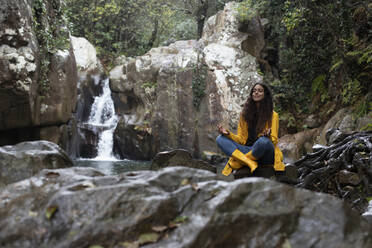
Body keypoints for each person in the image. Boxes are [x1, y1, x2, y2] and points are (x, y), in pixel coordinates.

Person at [216, 82, 285, 178]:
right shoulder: (245, 115)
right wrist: (228, 134)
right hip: (248, 149)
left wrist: (268, 136)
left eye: (260, 91)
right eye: (254, 91)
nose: (256, 93)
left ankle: (240, 162)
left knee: (263, 142)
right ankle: (249, 162)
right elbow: (241, 139)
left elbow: (274, 140)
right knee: (220, 139)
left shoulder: (273, 115)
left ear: (265, 95)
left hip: (265, 153)